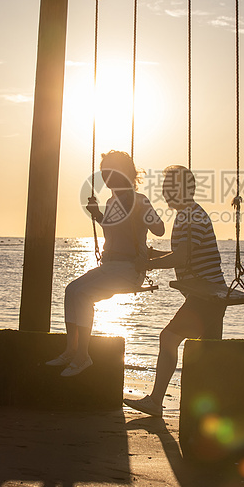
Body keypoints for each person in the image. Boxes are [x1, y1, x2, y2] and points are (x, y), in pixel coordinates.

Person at [46, 150, 165, 377]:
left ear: (125, 173)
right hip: (109, 266)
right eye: (104, 173)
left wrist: (143, 213)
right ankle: (71, 350)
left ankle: (83, 356)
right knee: (72, 290)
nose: (106, 178)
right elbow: (113, 231)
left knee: (83, 295)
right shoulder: (112, 201)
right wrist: (98, 214)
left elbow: (159, 229)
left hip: (130, 269)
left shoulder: (140, 200)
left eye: (110, 172)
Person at [124, 165, 227, 417]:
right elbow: (186, 256)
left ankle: (156, 402)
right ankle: (215, 409)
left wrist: (148, 263)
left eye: (169, 187)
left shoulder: (188, 216)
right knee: (210, 352)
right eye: (164, 187)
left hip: (206, 297)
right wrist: (152, 254)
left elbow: (180, 259)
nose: (164, 192)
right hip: (213, 295)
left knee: (168, 338)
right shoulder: (191, 213)